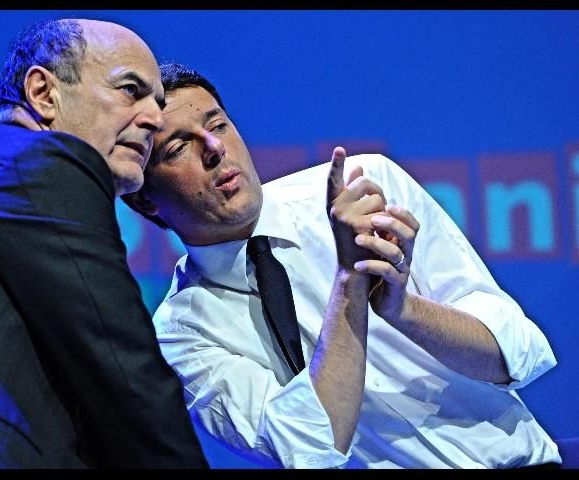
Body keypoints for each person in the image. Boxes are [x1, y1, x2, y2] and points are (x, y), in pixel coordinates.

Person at [122, 63, 562, 469]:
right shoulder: (183, 334)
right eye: (178, 148)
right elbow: (310, 450)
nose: (215, 148)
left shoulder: (364, 187)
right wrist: (350, 279)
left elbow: (518, 354)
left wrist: (404, 309)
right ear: (144, 199)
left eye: (218, 125)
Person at [0, 21, 208, 468]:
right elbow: (123, 367)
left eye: (158, 103)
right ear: (44, 94)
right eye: (130, 90)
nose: (155, 120)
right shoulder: (38, 161)